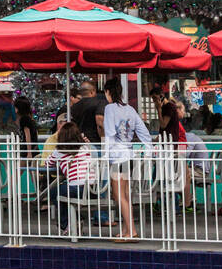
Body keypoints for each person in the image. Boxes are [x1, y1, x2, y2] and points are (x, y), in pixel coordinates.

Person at [102, 78, 151, 241]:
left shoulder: (109, 108)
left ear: (108, 92)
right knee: (126, 195)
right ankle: (126, 229)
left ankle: (131, 231)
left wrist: (105, 156)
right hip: (129, 155)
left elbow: (109, 133)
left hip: (117, 157)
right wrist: (149, 149)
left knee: (118, 196)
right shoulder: (130, 109)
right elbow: (143, 131)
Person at [47, 120, 93, 231]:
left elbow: (48, 164)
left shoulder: (59, 151)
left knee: (54, 192)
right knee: (64, 192)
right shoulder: (85, 147)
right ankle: (74, 219)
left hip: (76, 188)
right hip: (92, 189)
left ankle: (67, 224)